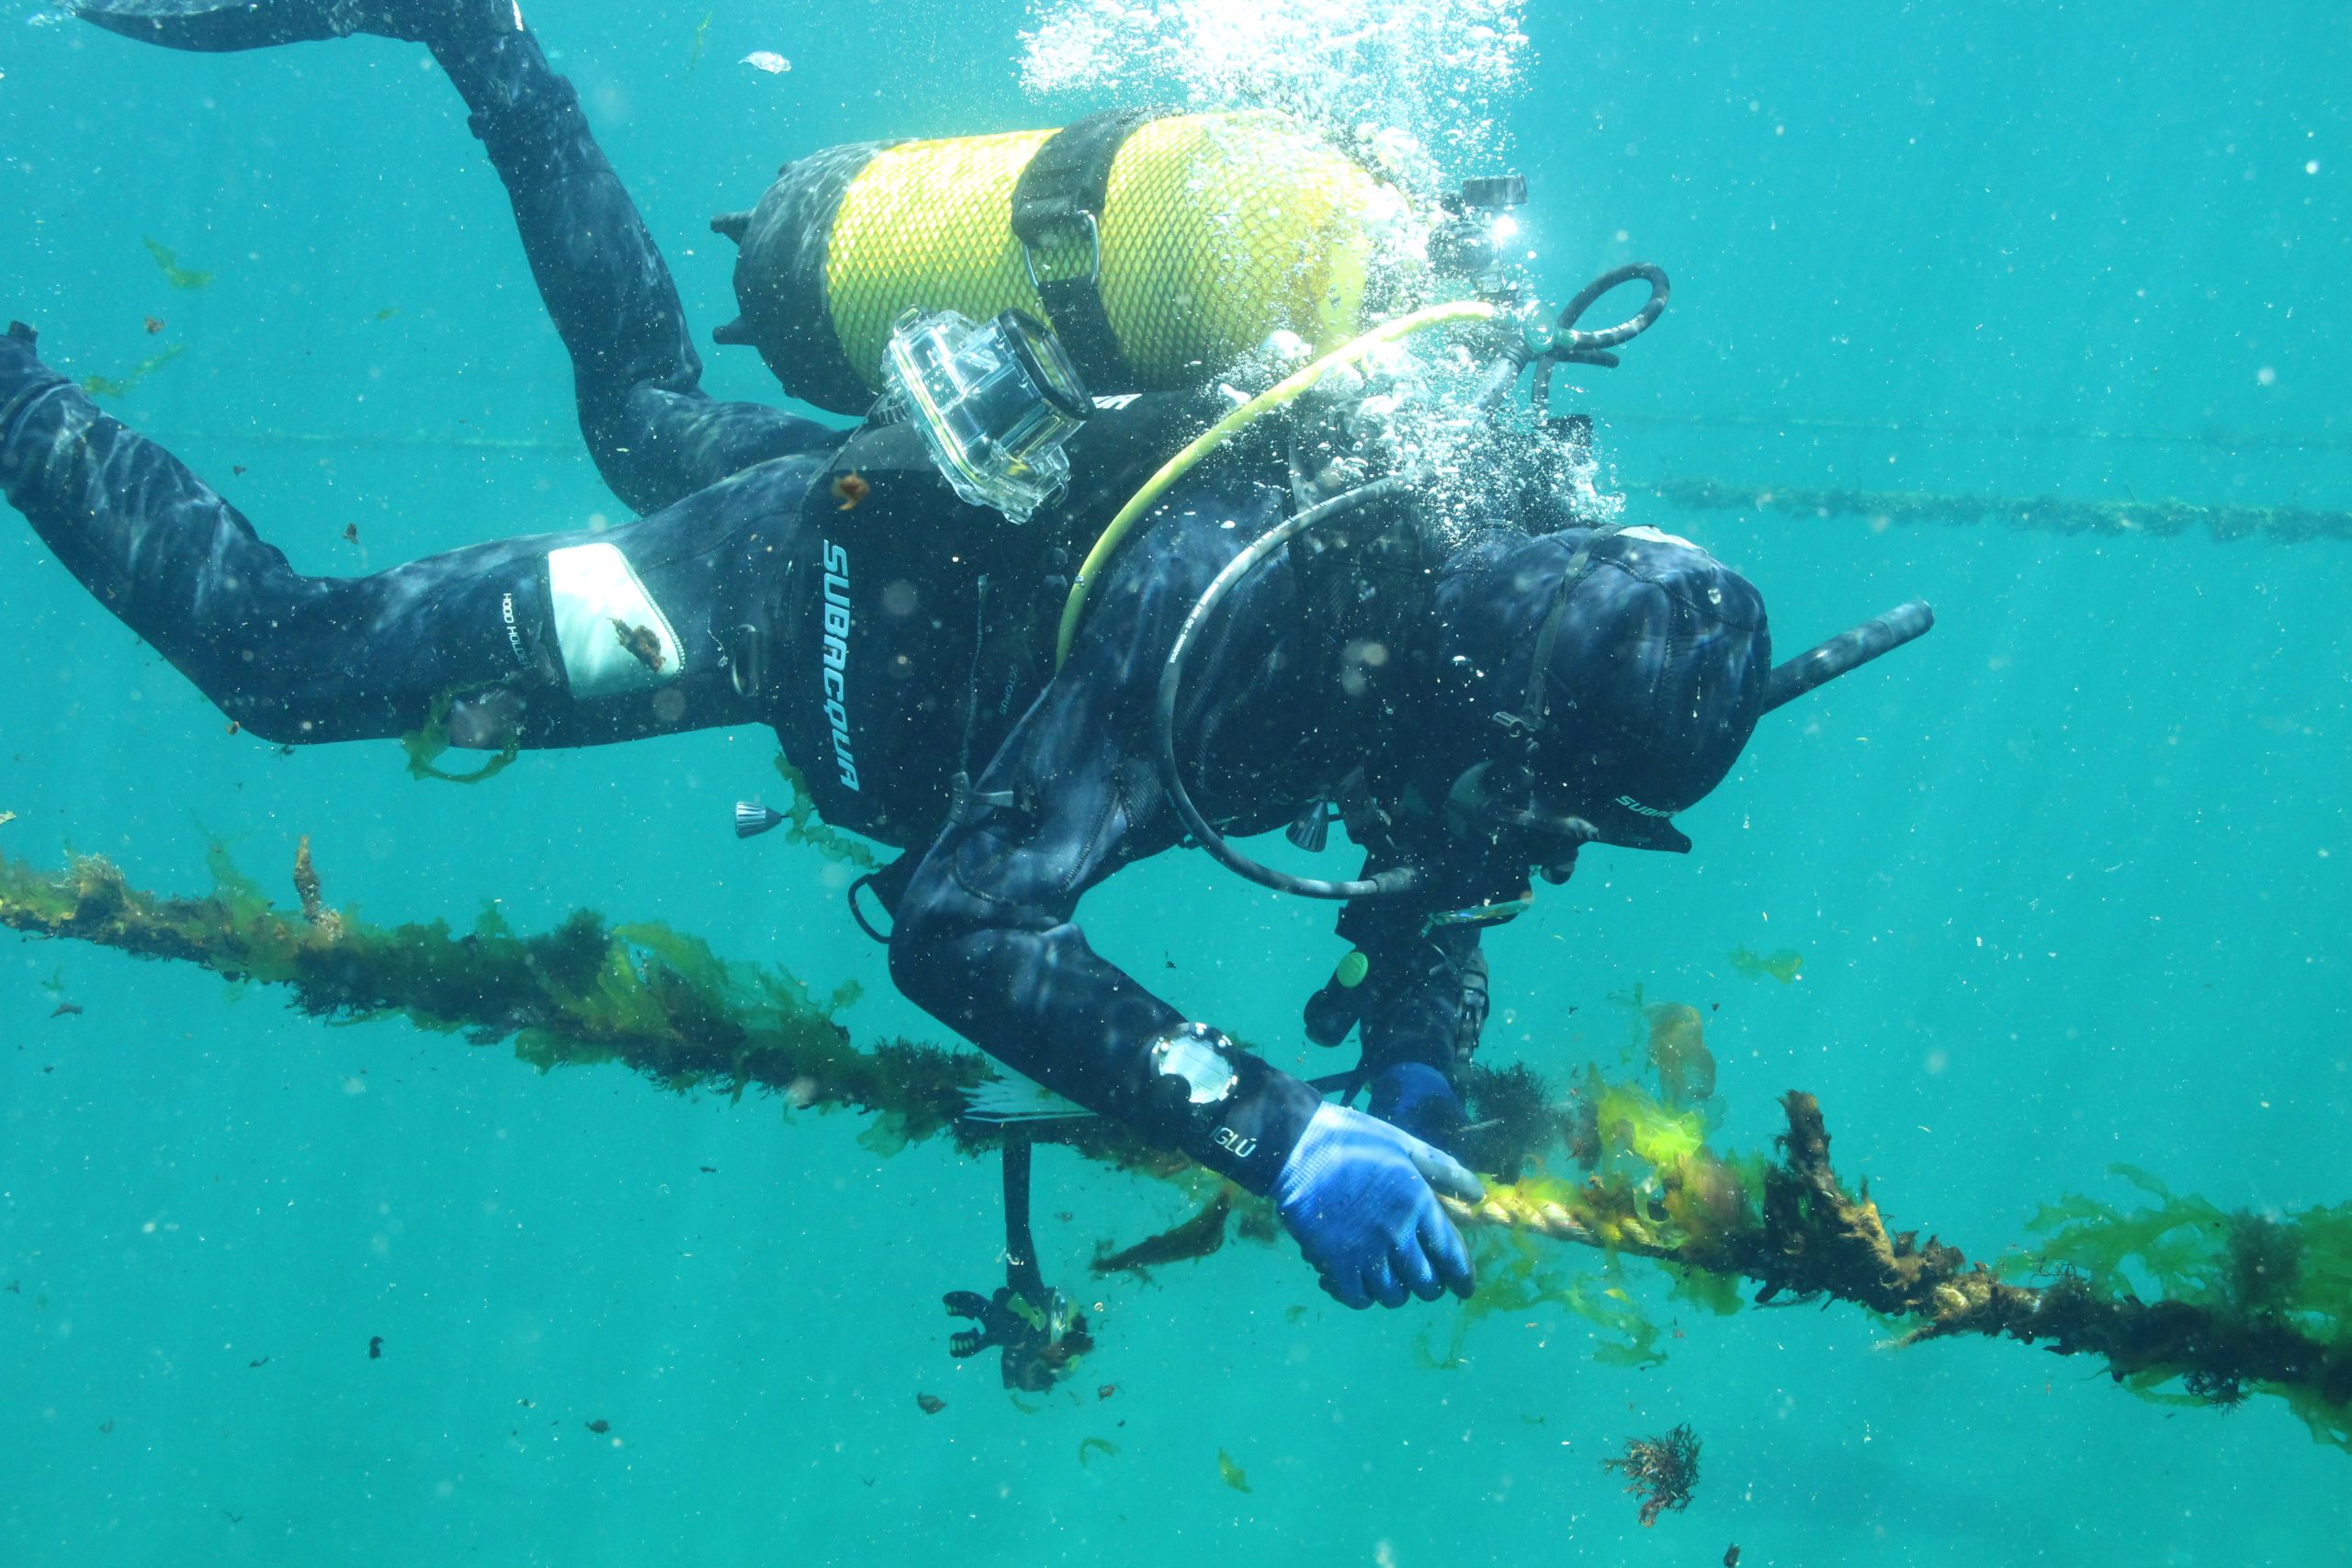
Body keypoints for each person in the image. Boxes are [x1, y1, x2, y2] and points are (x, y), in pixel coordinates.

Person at [2, 0, 1789, 1316]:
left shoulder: (1475, 584)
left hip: (917, 524)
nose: (1504, 822)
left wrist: (1410, 1055)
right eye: (1525, 786)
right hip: (787, 601)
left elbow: (1449, 865)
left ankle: (480, 34)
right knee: (284, 662)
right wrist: (1276, 1132)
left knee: (638, 414)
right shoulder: (1235, 600)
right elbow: (965, 921)